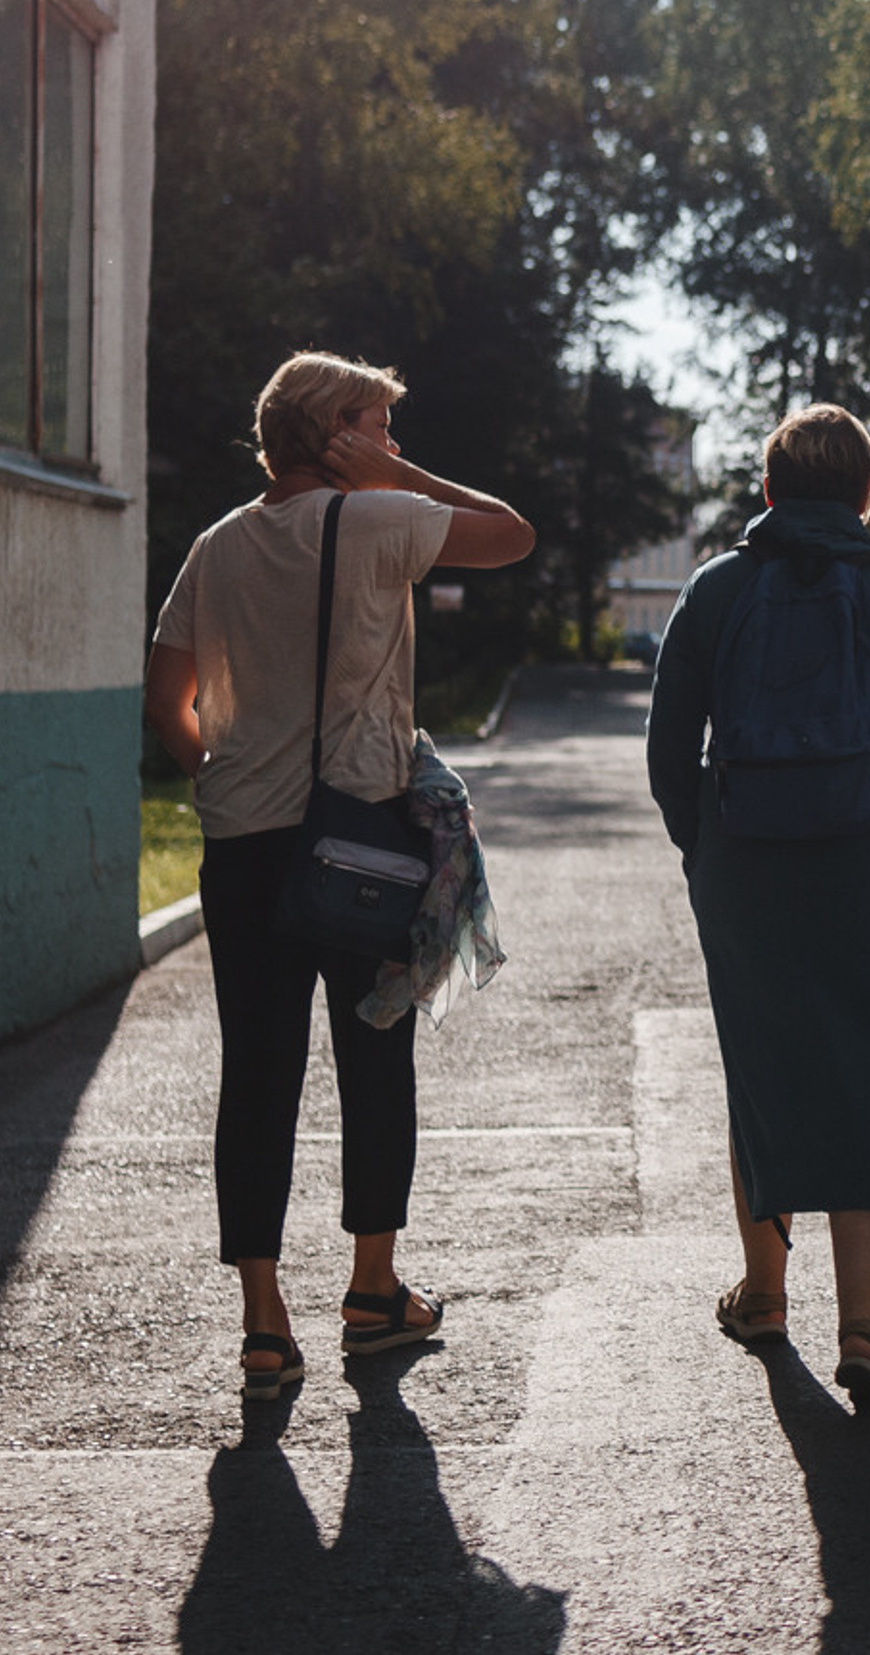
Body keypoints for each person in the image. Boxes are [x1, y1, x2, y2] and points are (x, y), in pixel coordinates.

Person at [143, 351, 536, 1401]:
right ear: (335, 437)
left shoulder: (216, 544)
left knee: (257, 1074)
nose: (397, 446)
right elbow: (511, 530)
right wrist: (404, 480)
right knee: (374, 1061)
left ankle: (263, 1323)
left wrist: (223, 779)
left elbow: (167, 697)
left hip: (242, 848)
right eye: (380, 426)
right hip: (359, 838)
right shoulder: (377, 518)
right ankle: (372, 1294)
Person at [644, 404, 870, 1411]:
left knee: (764, 1064)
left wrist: (704, 842)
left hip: (745, 858)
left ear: (768, 491)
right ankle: (866, 1328)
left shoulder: (715, 588)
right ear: (867, 493)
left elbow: (670, 744)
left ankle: (763, 1291)